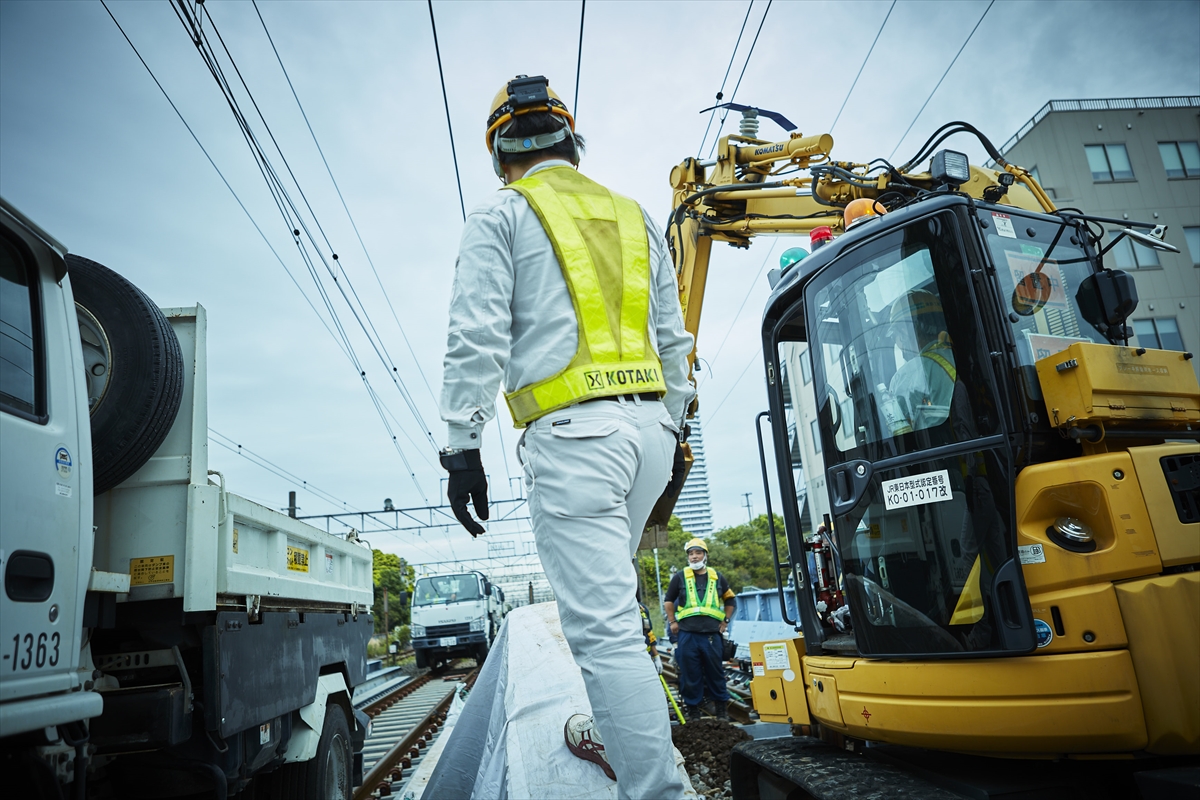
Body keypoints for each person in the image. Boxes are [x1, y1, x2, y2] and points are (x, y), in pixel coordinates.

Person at [438, 75, 693, 799]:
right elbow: (674, 343)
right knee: (619, 609)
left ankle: (658, 789)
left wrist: (461, 445)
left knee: (605, 630)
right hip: (648, 433)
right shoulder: (634, 214)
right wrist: (669, 429)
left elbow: (476, 335)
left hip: (576, 440)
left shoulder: (502, 215)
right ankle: (618, 732)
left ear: (499, 154)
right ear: (570, 142)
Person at [663, 538, 736, 721]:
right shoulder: (680, 577)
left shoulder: (717, 576)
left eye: (698, 553)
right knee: (690, 674)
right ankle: (693, 711)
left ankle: (721, 711)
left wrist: (726, 620)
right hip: (688, 634)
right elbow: (668, 601)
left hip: (711, 634)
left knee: (716, 673)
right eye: (691, 554)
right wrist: (672, 621)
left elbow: (730, 600)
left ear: (705, 555)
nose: (694, 557)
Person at [886, 290, 957, 434]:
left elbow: (901, 437)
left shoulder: (907, 375)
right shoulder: (958, 354)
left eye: (895, 336)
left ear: (905, 332)